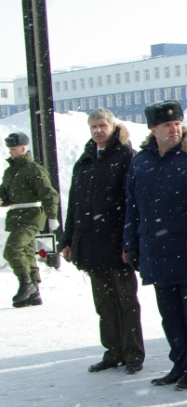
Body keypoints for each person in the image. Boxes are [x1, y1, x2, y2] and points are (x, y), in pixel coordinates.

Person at [123, 101, 187, 390]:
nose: (174, 128)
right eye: (167, 125)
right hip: (156, 250)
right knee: (170, 316)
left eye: (177, 123)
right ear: (153, 129)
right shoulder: (141, 162)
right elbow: (132, 207)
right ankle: (178, 363)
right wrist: (130, 244)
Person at [60, 108, 145, 374]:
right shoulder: (84, 162)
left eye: (102, 125)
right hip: (91, 244)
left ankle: (133, 354)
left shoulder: (126, 157)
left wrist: (128, 243)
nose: (98, 130)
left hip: (116, 243)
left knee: (126, 301)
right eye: (93, 126)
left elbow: (133, 204)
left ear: (112, 126)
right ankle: (113, 351)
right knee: (104, 303)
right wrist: (68, 240)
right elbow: (74, 204)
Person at [1, 132, 59, 308]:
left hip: (32, 215)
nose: (10, 152)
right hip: (16, 216)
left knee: (12, 250)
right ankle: (34, 293)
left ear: (23, 148)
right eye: (9, 149)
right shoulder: (10, 171)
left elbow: (49, 194)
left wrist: (52, 216)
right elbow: (5, 193)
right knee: (26, 252)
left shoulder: (33, 169)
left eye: (13, 149)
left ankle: (26, 284)